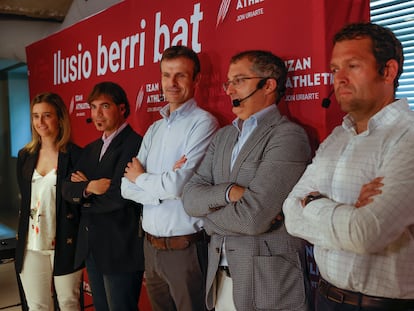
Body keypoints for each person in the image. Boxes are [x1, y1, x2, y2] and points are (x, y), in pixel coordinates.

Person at [283, 22, 414, 311]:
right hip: (324, 297)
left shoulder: (409, 136)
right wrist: (349, 211)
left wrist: (315, 202)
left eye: (352, 66)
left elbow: (366, 234)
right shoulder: (337, 137)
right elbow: (290, 214)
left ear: (388, 71)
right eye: (334, 69)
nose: (339, 78)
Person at [182, 50, 313, 311]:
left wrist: (207, 220)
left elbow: (253, 218)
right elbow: (188, 197)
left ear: (269, 84)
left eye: (239, 80)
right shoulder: (223, 137)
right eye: (228, 82)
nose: (229, 89)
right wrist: (230, 193)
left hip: (269, 286)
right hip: (219, 281)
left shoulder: (288, 136)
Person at [121, 45, 219, 311]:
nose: (172, 83)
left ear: (196, 80)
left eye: (181, 75)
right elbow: (125, 187)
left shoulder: (203, 123)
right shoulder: (155, 128)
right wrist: (159, 182)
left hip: (185, 250)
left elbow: (179, 186)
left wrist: (145, 178)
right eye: (166, 75)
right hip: (151, 249)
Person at [62, 81, 144, 311]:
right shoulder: (90, 149)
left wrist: (83, 194)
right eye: (93, 107)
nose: (97, 114)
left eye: (104, 106)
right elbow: (67, 189)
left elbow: (119, 197)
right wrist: (90, 187)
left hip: (120, 249)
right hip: (93, 248)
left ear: (122, 108)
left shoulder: (135, 144)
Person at [15, 92, 83, 310]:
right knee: (36, 306)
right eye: (36, 116)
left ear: (60, 118)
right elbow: (26, 199)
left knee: (69, 303)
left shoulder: (76, 156)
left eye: (46, 115)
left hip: (65, 241)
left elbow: (79, 202)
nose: (40, 122)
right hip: (31, 243)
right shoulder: (25, 155)